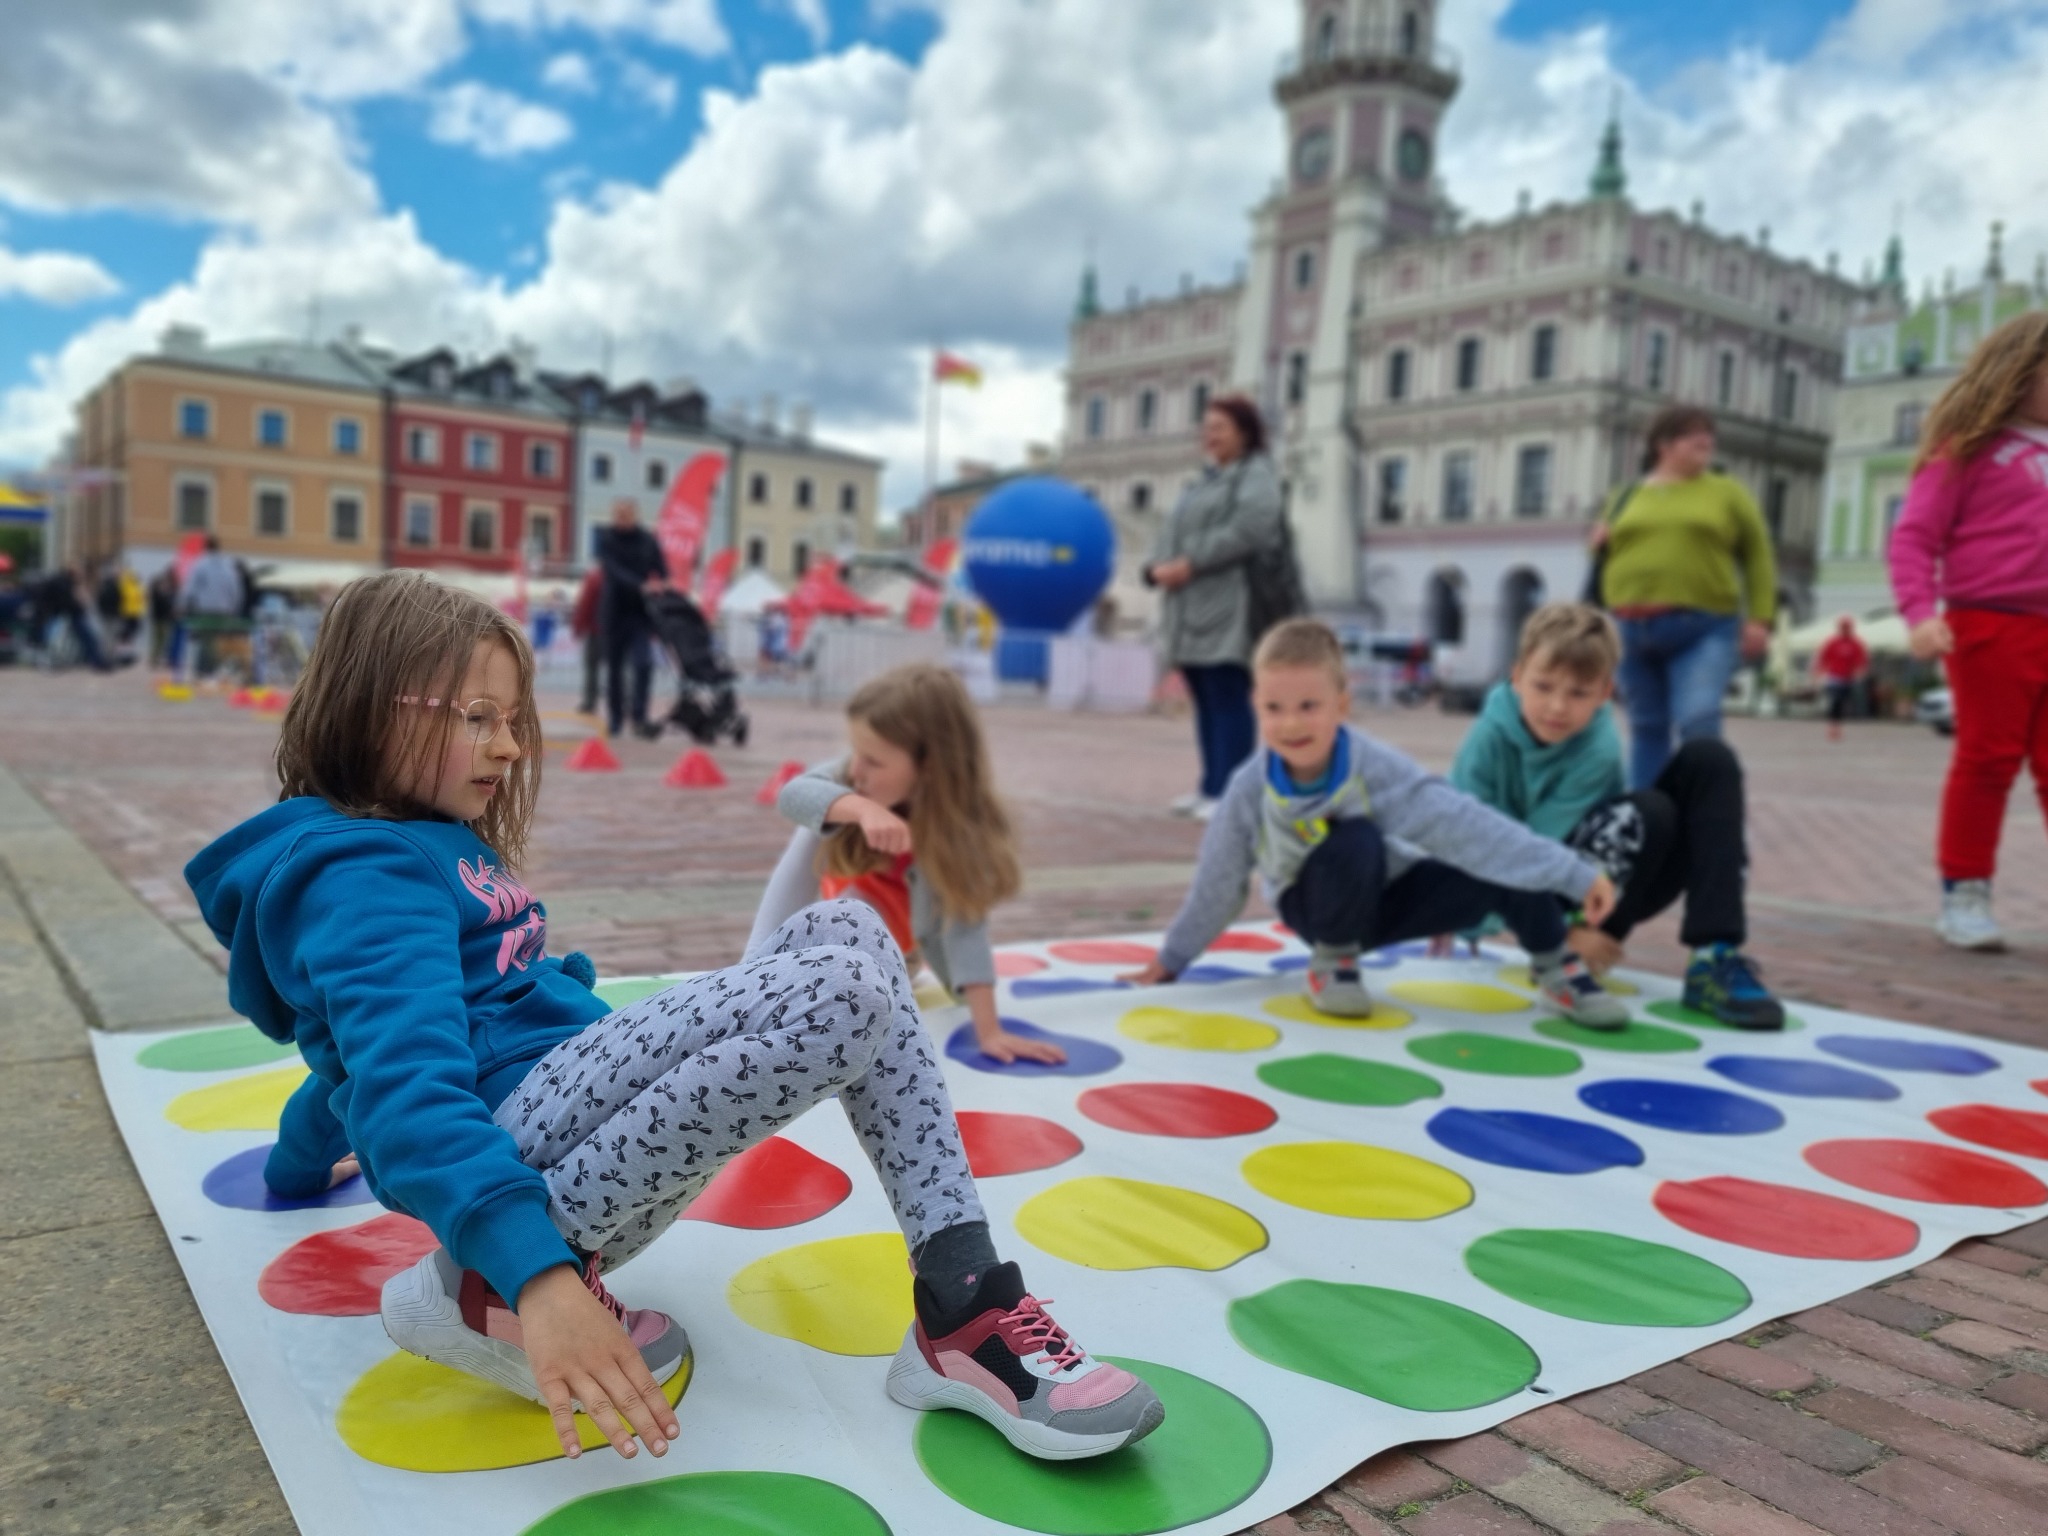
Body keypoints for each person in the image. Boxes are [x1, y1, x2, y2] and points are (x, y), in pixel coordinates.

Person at [182, 571, 1161, 1465]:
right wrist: (535, 1277)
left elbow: (355, 1060)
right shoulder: (361, 875)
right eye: (477, 716)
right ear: (367, 704)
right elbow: (398, 1079)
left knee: (849, 923)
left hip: (567, 1135)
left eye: (513, 718)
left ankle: (960, 1298)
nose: (510, 745)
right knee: (847, 992)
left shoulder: (420, 844)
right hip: (527, 1201)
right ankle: (484, 1296)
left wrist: (298, 1161)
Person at [1123, 618, 1626, 1026]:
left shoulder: (1376, 766)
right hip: (1315, 910)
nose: (1292, 724)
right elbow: (1219, 881)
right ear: (1257, 707)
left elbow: (1465, 824)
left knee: (1490, 855)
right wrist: (1173, 958)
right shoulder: (1249, 788)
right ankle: (1333, 963)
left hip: (1387, 901)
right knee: (1355, 836)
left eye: (1309, 706)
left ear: (1341, 705)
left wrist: (1576, 876)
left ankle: (1556, 966)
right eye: (1275, 709)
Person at [1450, 603, 1785, 1029]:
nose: (1557, 706)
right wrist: (1473, 926)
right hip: (1518, 891)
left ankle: (1712, 956)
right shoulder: (1486, 739)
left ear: (1605, 693)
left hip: (1591, 886)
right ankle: (1563, 951)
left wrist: (1593, 926)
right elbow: (1467, 840)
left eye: (1578, 693)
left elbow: (1560, 845)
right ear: (1516, 677)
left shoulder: (1599, 746)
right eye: (1543, 686)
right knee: (1651, 811)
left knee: (1708, 759)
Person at [750, 664, 1064, 1065]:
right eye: (855, 754)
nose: (856, 770)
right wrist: (860, 808)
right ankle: (753, 967)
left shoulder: (955, 831)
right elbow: (795, 794)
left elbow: (966, 930)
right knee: (815, 818)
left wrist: (990, 1032)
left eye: (874, 762)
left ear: (930, 767)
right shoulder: (854, 779)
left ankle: (780, 991)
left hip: (885, 962)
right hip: (820, 941)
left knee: (855, 908)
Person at [1890, 311, 2048, 952]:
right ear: (2022, 370)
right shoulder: (1969, 448)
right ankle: (1965, 893)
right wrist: (1920, 614)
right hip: (1987, 624)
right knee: (1987, 760)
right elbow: (1914, 536)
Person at [1593, 406, 1777, 789]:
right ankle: (1645, 823)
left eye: (1709, 434)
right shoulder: (1625, 495)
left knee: (1698, 720)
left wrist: (1760, 618)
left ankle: (1706, 819)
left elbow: (1758, 554)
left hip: (1703, 627)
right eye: (1693, 434)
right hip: (1629, 627)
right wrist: (1597, 544)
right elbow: (1605, 557)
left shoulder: (1726, 492)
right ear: (1663, 444)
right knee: (1646, 727)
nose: (1705, 441)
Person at [1144, 394, 1283, 821]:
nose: (1211, 436)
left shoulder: (1256, 475)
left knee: (1227, 694)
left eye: (1220, 428)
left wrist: (1190, 562)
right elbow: (1173, 529)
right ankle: (1210, 785)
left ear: (1244, 432)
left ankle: (1231, 793)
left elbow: (1250, 529)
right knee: (1204, 696)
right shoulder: (1203, 480)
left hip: (1230, 604)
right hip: (1190, 606)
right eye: (1206, 428)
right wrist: (1154, 567)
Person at [595, 501, 667, 739]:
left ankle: (639, 716)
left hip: (641, 614)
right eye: (618, 514)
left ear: (635, 516)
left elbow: (662, 568)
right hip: (614, 613)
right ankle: (615, 719)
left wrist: (661, 583)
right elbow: (612, 570)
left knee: (643, 663)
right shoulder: (606, 538)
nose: (622, 519)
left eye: (626, 515)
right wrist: (641, 585)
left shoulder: (648, 540)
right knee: (614, 670)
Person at [180, 536, 247, 681]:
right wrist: (234, 608)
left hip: (205, 609)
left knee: (205, 640)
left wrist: (185, 603)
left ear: (205, 548)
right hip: (224, 611)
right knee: (218, 642)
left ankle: (202, 671)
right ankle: (215, 671)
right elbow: (235, 589)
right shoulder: (227, 566)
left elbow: (191, 586)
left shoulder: (200, 564)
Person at [1815, 618, 1868, 743]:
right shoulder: (1832, 642)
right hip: (1834, 678)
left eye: (1847, 627)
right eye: (1843, 627)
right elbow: (1823, 658)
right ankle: (1833, 727)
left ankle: (1837, 724)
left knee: (1843, 702)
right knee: (1835, 701)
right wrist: (1819, 671)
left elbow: (1861, 660)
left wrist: (1860, 672)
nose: (1845, 629)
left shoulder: (1856, 643)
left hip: (1848, 678)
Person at [569, 566, 604, 714]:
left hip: (596, 631)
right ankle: (626, 704)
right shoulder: (630, 572)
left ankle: (590, 701)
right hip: (620, 631)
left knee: (592, 667)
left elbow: (585, 604)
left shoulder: (595, 576)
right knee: (622, 668)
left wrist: (578, 626)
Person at [147, 565, 180, 670]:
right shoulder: (160, 587)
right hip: (160, 616)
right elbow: (159, 601)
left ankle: (156, 659)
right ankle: (155, 659)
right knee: (159, 639)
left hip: (162, 617)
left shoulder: (169, 587)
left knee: (161, 639)